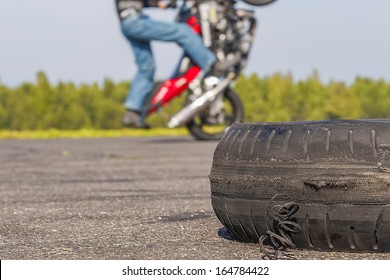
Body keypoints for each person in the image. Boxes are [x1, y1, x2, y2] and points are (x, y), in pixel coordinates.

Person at [115, 0, 217, 128]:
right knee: (183, 31)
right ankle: (211, 63)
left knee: (146, 68)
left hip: (127, 23)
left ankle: (133, 113)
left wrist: (159, 4)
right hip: (135, 21)